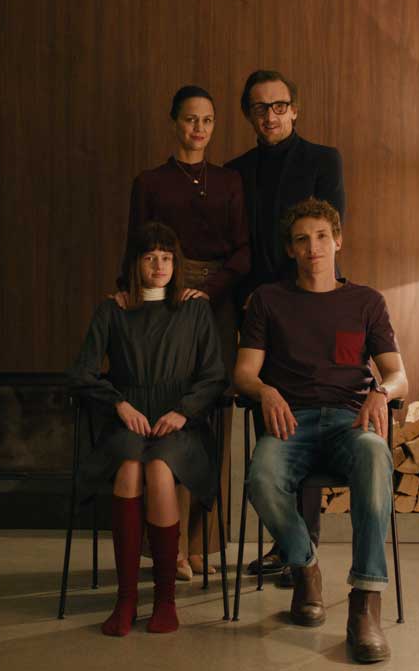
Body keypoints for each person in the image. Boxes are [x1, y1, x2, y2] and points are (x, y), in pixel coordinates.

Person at [234, 199, 407, 663]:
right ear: (291, 250)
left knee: (374, 455)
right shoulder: (268, 300)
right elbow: (244, 372)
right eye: (302, 240)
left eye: (322, 237)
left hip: (351, 422)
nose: (313, 247)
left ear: (338, 241)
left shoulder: (366, 302)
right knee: (261, 480)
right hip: (291, 422)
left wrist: (382, 393)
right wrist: (265, 390)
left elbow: (398, 375)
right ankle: (305, 566)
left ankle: (364, 604)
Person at [65, 222, 226, 636]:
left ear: (176, 263)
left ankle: (165, 599)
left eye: (167, 257)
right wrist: (118, 404)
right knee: (129, 468)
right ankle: (126, 598)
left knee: (158, 469)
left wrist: (184, 412)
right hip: (129, 419)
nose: (159, 266)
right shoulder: (113, 309)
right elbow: (81, 374)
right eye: (150, 257)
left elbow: (213, 376)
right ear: (134, 263)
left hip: (181, 423)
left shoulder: (194, 308)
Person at [118, 85, 249, 580]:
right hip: (163, 299)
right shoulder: (150, 181)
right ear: (174, 121)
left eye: (208, 120)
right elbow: (135, 246)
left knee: (209, 414)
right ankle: (166, 547)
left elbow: (243, 252)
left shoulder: (230, 181)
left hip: (216, 303)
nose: (199, 128)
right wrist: (127, 296)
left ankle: (201, 546)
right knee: (165, 412)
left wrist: (208, 290)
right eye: (191, 119)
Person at [226, 69, 344, 582]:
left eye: (279, 106)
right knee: (270, 416)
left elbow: (326, 230)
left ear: (294, 109)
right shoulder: (237, 171)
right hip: (257, 305)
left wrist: (289, 291)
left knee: (310, 403)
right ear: (249, 115)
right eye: (259, 108)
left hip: (311, 299)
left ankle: (304, 545)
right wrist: (255, 297)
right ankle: (287, 543)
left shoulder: (323, 159)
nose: (270, 115)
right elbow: (239, 243)